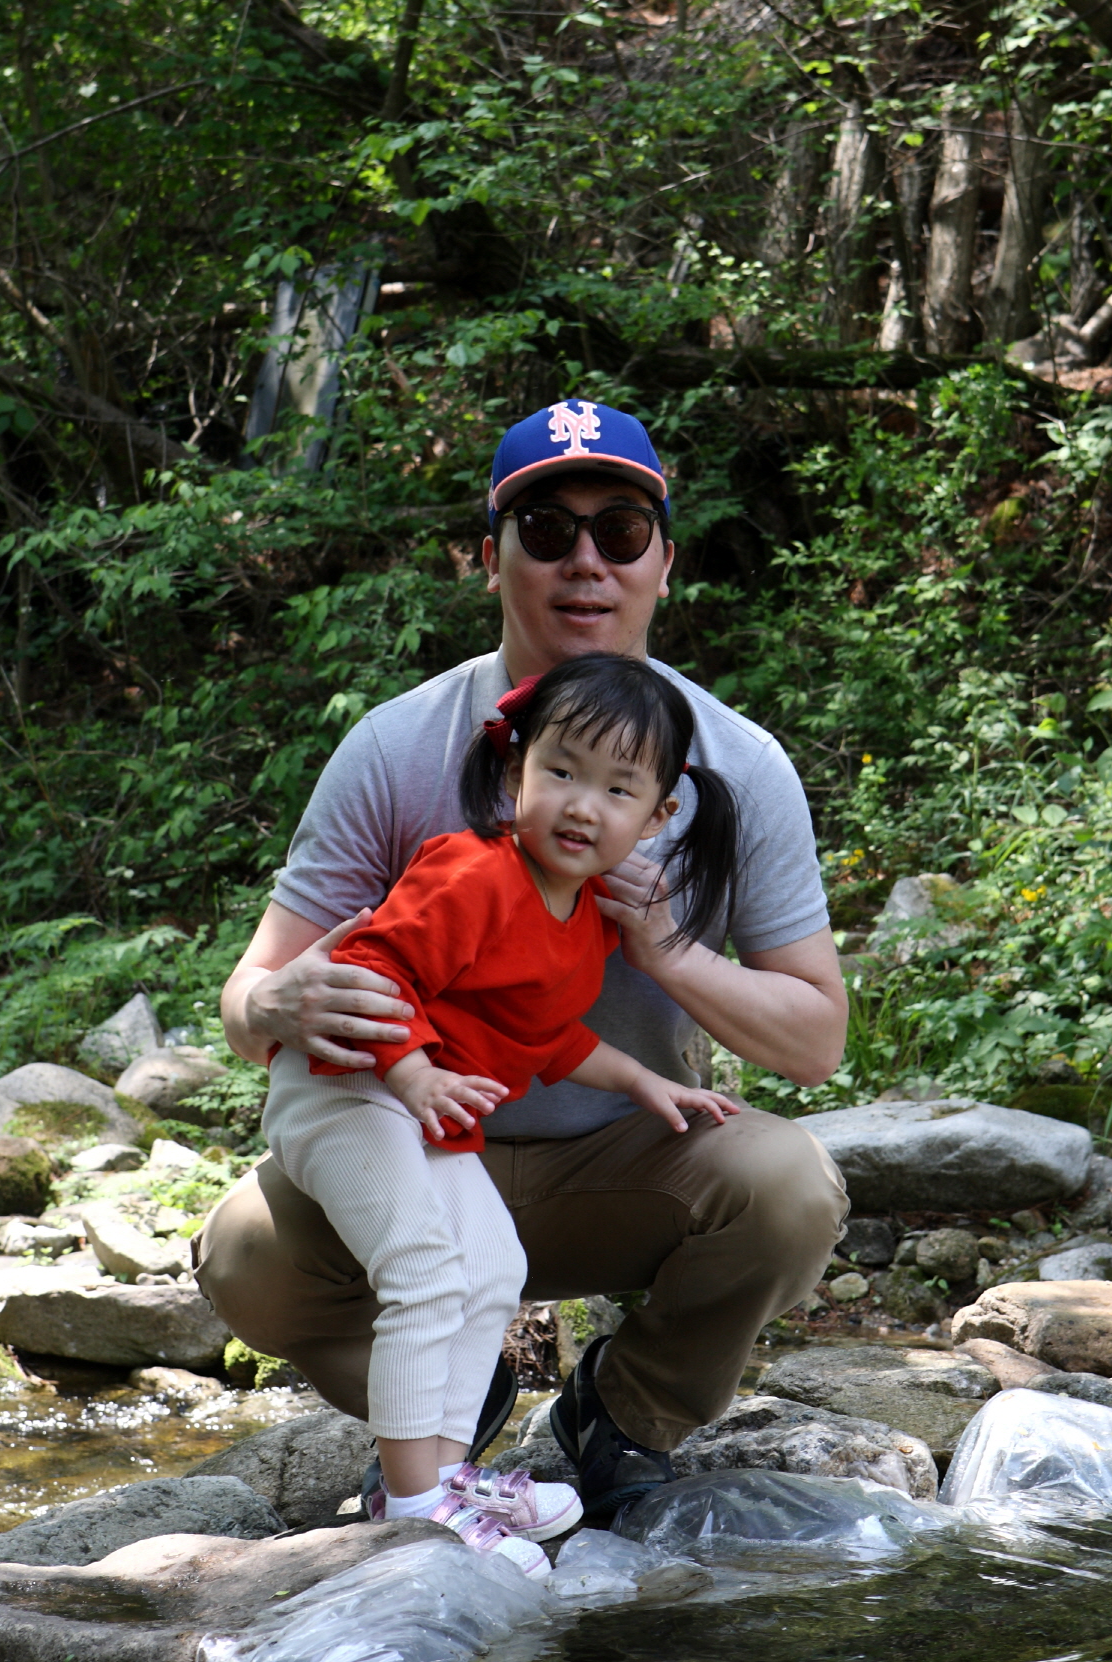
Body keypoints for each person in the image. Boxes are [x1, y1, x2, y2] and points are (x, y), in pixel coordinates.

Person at [199, 398, 850, 1520]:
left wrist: (664, 947)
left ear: (664, 562)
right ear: (490, 558)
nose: (585, 561)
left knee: (789, 1187)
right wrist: (275, 1001)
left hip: (615, 1162)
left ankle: (625, 1412)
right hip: (405, 1137)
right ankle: (449, 1410)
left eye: (620, 530)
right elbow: (246, 999)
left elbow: (816, 1040)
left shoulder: (739, 765)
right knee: (242, 1253)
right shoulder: (397, 746)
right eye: (546, 530)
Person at [261, 654, 744, 1575]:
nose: (582, 806)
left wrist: (645, 1082)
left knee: (493, 1268)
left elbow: (546, 1034)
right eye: (561, 771)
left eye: (618, 789)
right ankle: (414, 1509)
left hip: (422, 1100)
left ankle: (445, 1482)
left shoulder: (583, 917)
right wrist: (411, 1074)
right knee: (423, 1269)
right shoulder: (471, 873)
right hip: (344, 1085)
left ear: (658, 815)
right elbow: (370, 971)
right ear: (516, 767)